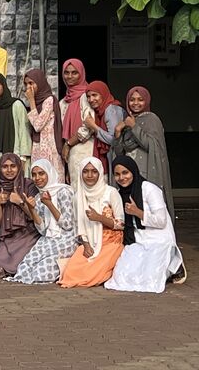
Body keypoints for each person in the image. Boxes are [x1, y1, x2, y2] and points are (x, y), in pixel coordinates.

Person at [105, 155, 184, 293]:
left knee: (151, 278)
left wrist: (137, 212)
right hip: (138, 238)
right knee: (122, 276)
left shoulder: (149, 189)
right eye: (117, 174)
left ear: (133, 172)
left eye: (125, 173)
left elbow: (161, 221)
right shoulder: (120, 193)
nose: (121, 178)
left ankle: (175, 265)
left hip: (158, 237)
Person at [59, 157, 124, 288]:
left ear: (100, 173)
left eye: (94, 171)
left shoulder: (111, 192)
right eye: (85, 171)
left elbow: (121, 224)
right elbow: (79, 225)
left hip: (110, 242)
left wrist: (100, 218)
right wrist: (86, 245)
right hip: (89, 242)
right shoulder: (78, 196)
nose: (89, 175)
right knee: (71, 273)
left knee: (93, 275)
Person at [10, 159, 77, 284]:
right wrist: (31, 208)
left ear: (49, 173)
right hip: (48, 239)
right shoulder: (38, 197)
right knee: (23, 268)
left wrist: (49, 204)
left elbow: (68, 225)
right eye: (34, 175)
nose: (37, 178)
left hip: (66, 239)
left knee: (41, 274)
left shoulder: (64, 192)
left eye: (41, 173)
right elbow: (42, 230)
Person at [112, 86, 174, 218]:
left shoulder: (152, 119)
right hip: (128, 174)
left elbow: (150, 145)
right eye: (132, 100)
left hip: (146, 171)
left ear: (146, 101)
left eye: (140, 99)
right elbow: (119, 153)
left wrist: (133, 126)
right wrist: (117, 133)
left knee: (147, 207)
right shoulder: (126, 121)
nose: (135, 103)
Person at [0, 153, 39, 278]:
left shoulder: (29, 185)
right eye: (5, 166)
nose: (9, 170)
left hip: (29, 233)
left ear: (19, 167)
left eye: (13, 166)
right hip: (11, 236)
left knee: (14, 264)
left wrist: (20, 201)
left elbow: (34, 216)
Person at [0, 72, 32, 184]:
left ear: (3, 85)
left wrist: (23, 159)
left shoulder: (16, 105)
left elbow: (24, 132)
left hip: (17, 157)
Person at [23, 69, 66, 183]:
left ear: (40, 82)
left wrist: (31, 100)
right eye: (26, 84)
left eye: (31, 83)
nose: (28, 87)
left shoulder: (49, 100)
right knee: (39, 182)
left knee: (52, 181)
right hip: (38, 147)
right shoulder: (36, 102)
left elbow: (37, 125)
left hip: (49, 148)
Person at [60, 59, 94, 190]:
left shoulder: (87, 96)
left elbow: (89, 126)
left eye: (74, 73)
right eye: (66, 73)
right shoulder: (64, 102)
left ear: (81, 74)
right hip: (71, 156)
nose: (69, 76)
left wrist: (68, 144)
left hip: (86, 150)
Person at [85, 80, 124, 175]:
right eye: (88, 96)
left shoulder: (111, 110)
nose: (91, 99)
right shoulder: (102, 111)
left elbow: (113, 139)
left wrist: (93, 126)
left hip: (118, 155)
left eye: (95, 95)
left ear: (103, 94)